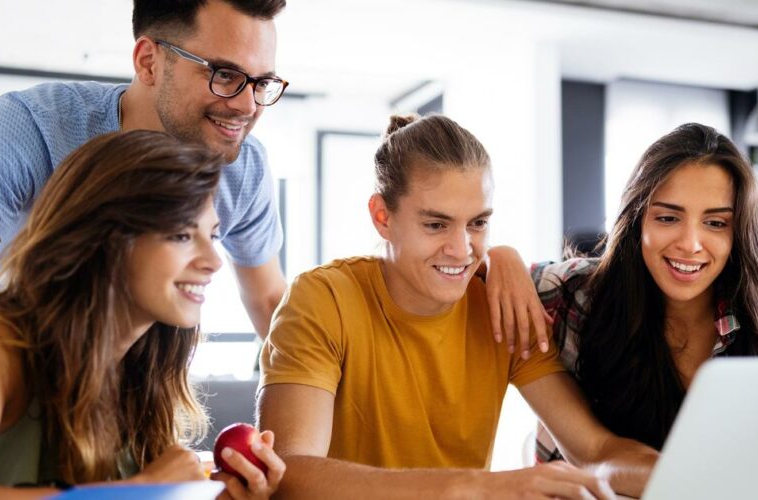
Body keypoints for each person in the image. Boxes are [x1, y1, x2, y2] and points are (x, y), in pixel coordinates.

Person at [257, 114, 659, 499]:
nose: (461, 249)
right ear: (382, 217)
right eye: (436, 224)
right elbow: (291, 474)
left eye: (478, 223)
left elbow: (596, 450)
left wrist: (694, 477)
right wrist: (480, 488)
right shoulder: (323, 300)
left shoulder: (500, 307)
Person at [0, 131, 286, 498]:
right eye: (181, 235)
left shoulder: (148, 367)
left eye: (212, 235)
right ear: (105, 239)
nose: (212, 262)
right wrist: (141, 490)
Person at [0, 0, 289, 339]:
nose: (247, 106)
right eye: (225, 75)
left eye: (261, 83)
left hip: (138, 380)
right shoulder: (35, 125)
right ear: (148, 62)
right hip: (4, 364)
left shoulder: (244, 168)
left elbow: (268, 303)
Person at [525, 123, 758, 462]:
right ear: (637, 220)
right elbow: (472, 273)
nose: (690, 244)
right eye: (667, 218)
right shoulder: (576, 294)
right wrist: (500, 258)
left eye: (715, 223)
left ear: (739, 233)